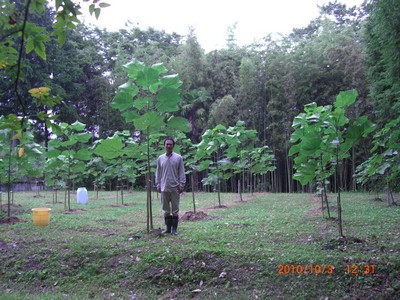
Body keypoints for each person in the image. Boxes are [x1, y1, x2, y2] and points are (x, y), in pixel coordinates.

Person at [155, 137, 185, 235]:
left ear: (173, 146)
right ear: (164, 145)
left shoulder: (178, 158)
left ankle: (174, 230)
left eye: (170, 144)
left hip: (175, 187)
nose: (168, 146)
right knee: (166, 210)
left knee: (175, 210)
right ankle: (168, 229)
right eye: (167, 144)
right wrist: (158, 184)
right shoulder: (160, 158)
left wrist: (182, 184)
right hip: (164, 187)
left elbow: (181, 172)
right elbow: (158, 173)